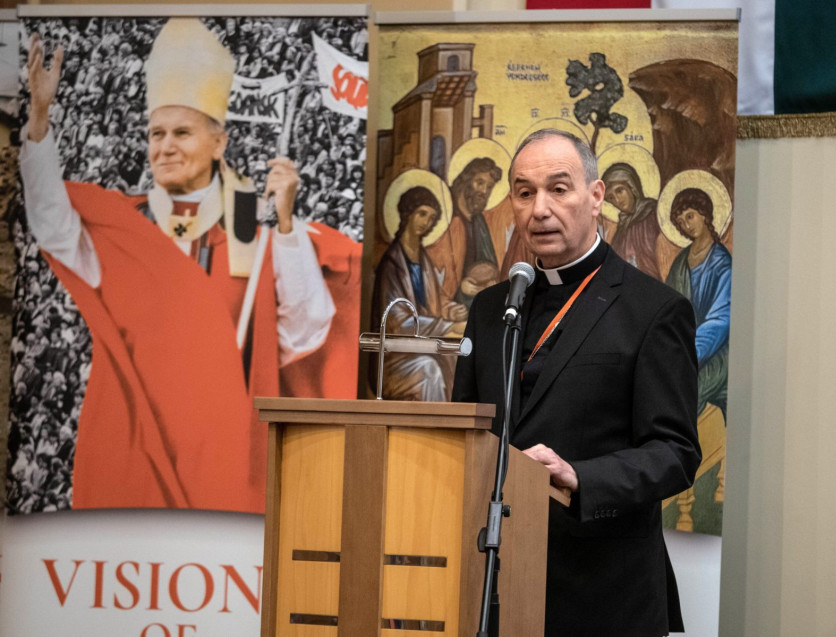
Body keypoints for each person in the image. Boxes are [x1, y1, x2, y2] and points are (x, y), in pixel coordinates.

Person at [19, 19, 361, 513]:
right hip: (138, 450)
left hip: (220, 457)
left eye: (182, 132)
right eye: (156, 133)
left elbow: (306, 329)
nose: (165, 146)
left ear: (219, 143)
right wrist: (39, 119)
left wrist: (286, 223)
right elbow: (53, 225)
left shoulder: (255, 225)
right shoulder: (127, 225)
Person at [452, 129, 701, 636]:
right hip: (497, 583)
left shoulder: (654, 310)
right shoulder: (490, 309)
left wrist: (581, 476)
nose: (539, 209)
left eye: (558, 189)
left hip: (605, 591)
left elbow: (675, 453)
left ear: (595, 196)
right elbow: (466, 431)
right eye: (524, 193)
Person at [371, 186, 467, 401]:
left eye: (432, 218)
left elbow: (436, 300)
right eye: (422, 214)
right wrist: (447, 326)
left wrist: (452, 311)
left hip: (423, 347)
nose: (427, 222)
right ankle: (435, 422)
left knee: (457, 363)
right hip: (395, 358)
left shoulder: (423, 259)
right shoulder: (392, 264)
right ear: (408, 213)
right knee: (430, 370)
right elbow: (397, 322)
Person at [666, 187, 731, 419]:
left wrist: (688, 353)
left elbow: (721, 319)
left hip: (714, 351)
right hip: (681, 348)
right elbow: (667, 307)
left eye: (690, 216)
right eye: (681, 222)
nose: (686, 225)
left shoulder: (721, 263)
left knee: (683, 396)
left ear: (704, 214)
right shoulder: (681, 261)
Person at [426, 157, 513, 308]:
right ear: (466, 180)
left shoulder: (479, 221)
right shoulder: (445, 216)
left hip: (476, 300)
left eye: (489, 187)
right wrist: (460, 287)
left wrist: (491, 281)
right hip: (450, 305)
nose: (484, 191)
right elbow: (433, 270)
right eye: (479, 183)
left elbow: (488, 262)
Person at [602, 162, 663, 279]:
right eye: (611, 197)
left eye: (619, 191)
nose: (617, 200)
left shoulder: (655, 215)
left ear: (632, 187)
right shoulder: (621, 231)